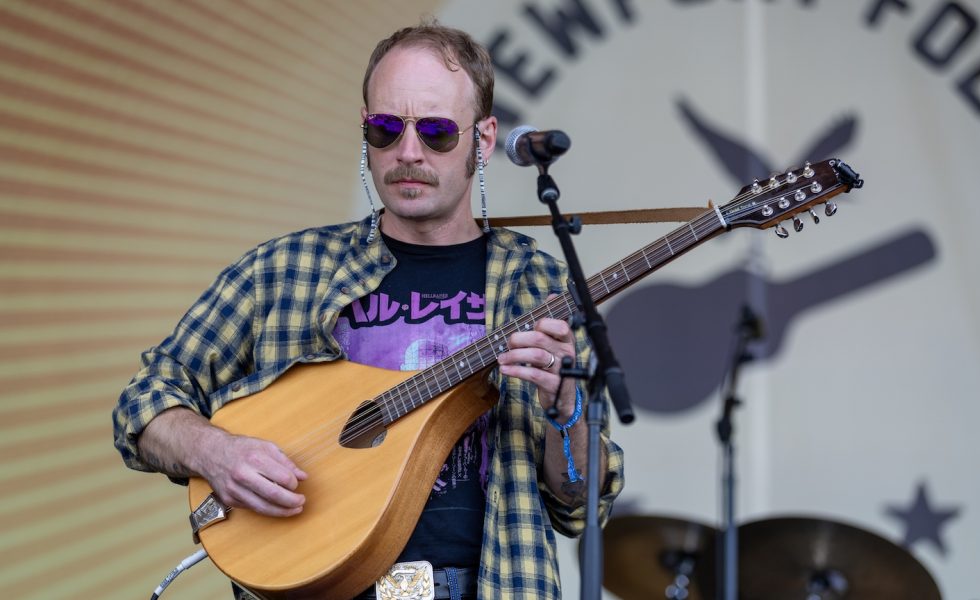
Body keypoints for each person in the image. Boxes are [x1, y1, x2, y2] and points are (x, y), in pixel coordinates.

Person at [113, 20, 624, 600]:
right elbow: (145, 398)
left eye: (436, 132)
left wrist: (566, 406)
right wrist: (217, 452)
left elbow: (578, 507)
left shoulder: (537, 284)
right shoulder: (283, 270)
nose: (408, 153)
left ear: (483, 140)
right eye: (386, 129)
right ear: (365, 130)